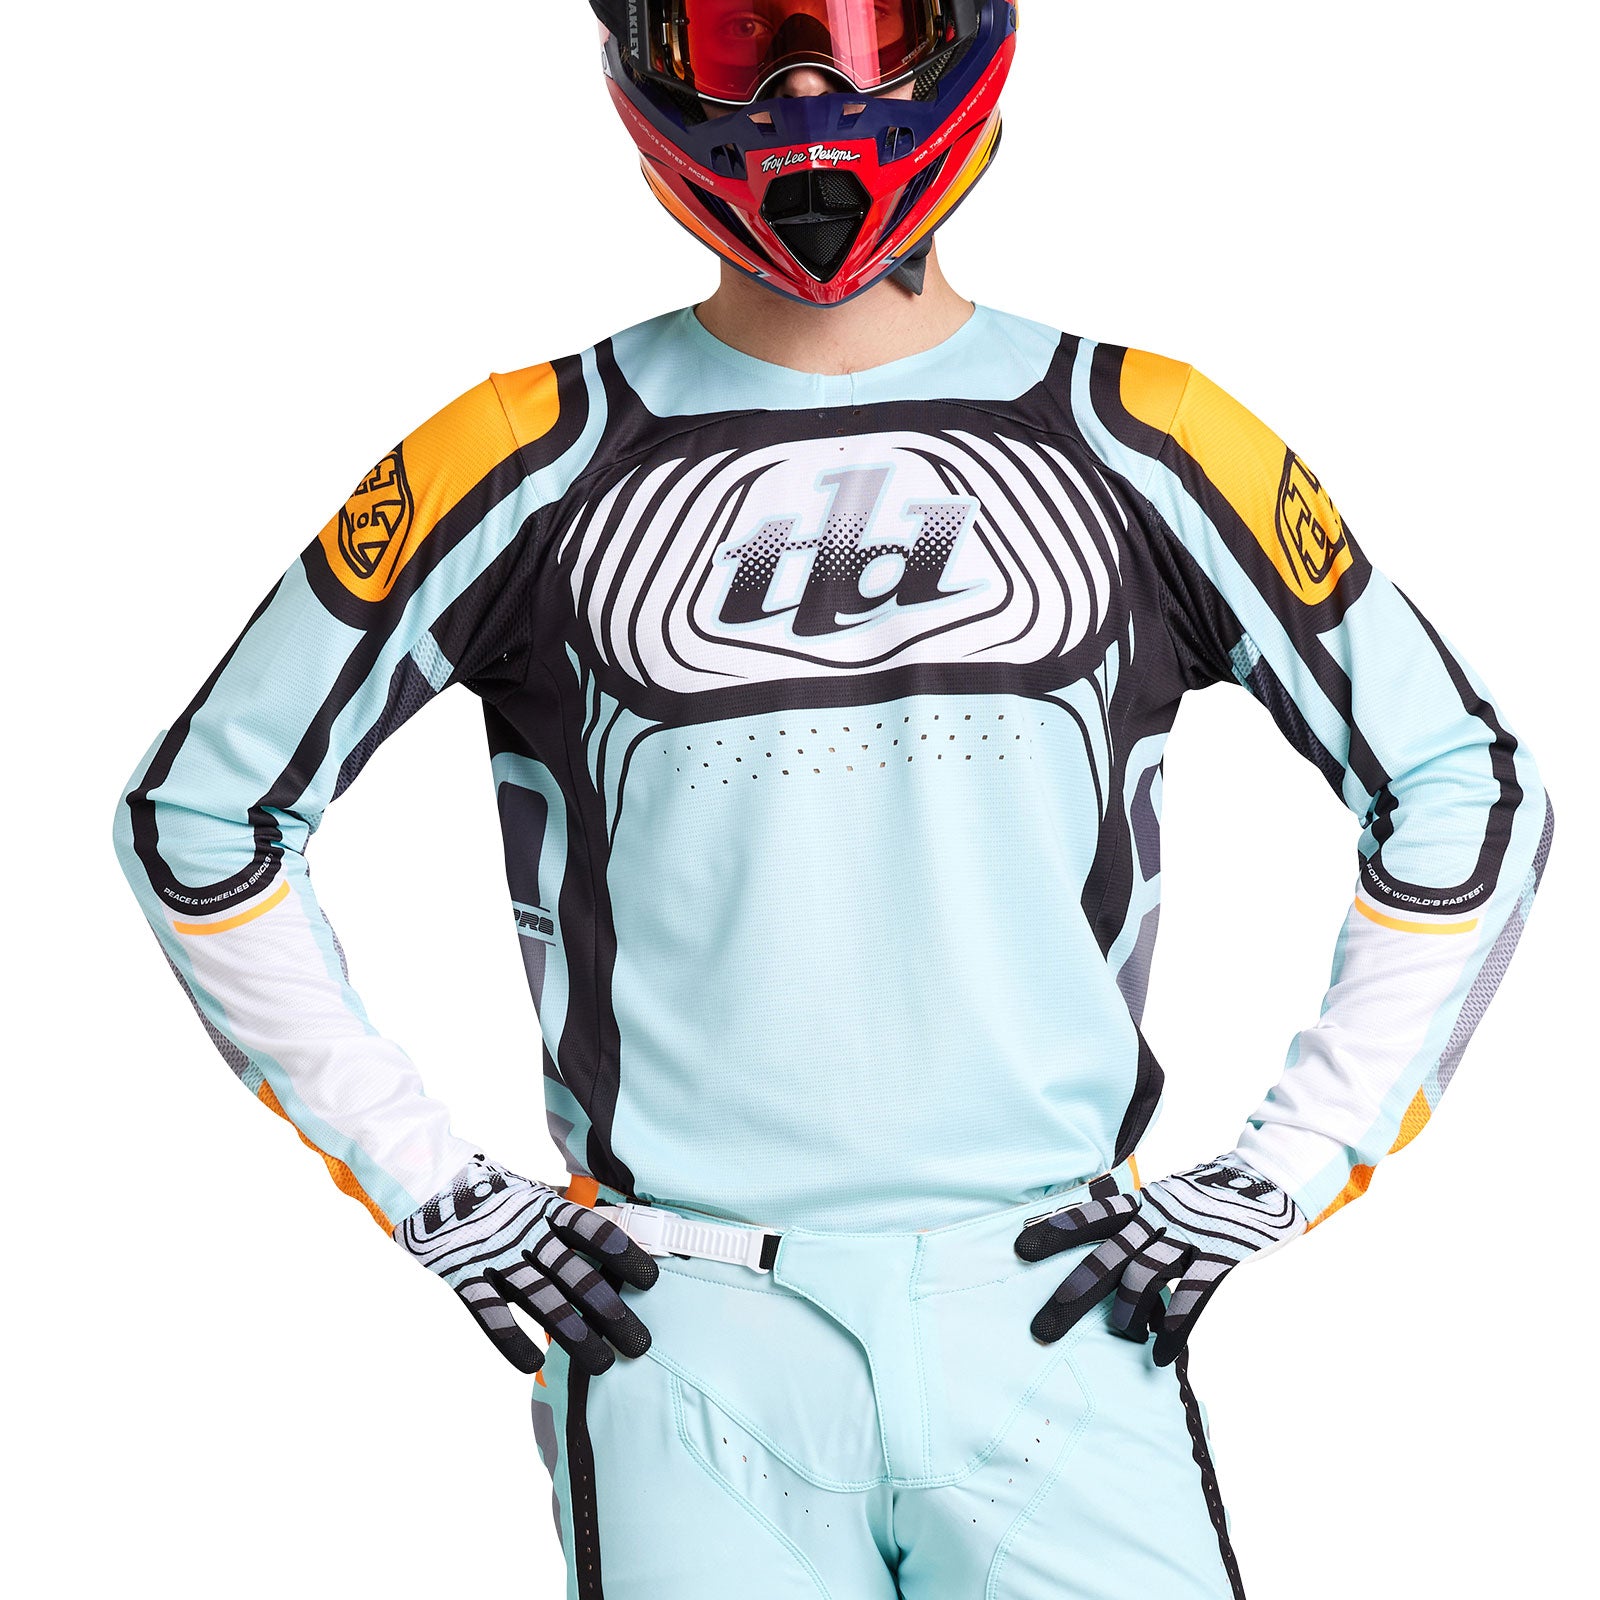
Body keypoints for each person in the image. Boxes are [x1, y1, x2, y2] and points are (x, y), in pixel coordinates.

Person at [113, 5, 1552, 1596]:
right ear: (654, 49)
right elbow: (202, 821)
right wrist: (431, 1185)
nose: (808, 83)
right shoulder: (526, 453)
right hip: (684, 1330)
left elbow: (1460, 782)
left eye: (864, 27)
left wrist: (1290, 1163)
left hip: (1054, 1308)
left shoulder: (1145, 436)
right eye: (742, 36)